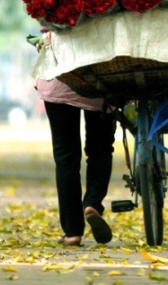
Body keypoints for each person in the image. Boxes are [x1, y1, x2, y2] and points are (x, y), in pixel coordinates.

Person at [36, 77, 115, 246]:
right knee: (100, 150)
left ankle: (73, 233)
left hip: (59, 84)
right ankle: (93, 203)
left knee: (66, 157)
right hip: (100, 82)